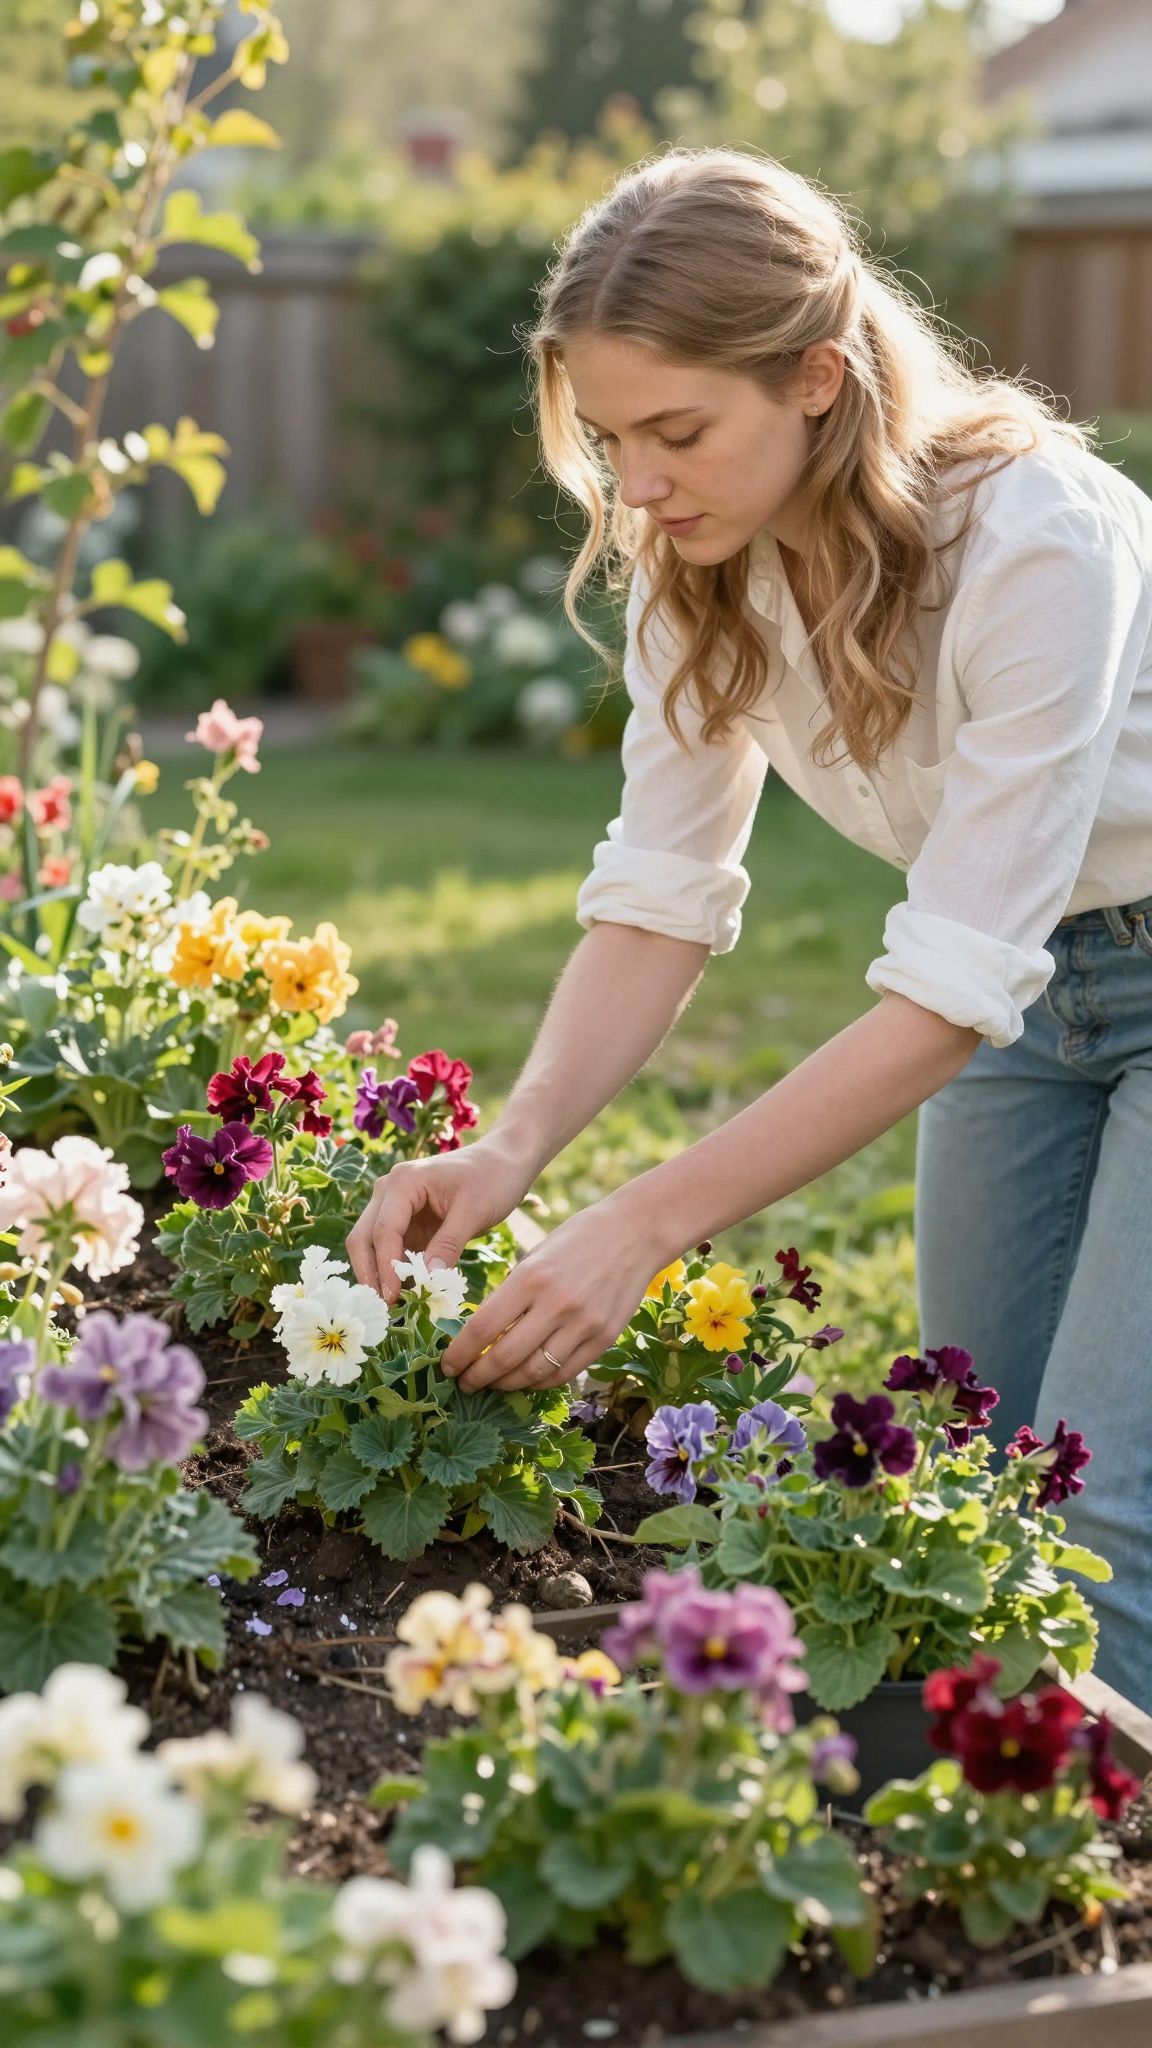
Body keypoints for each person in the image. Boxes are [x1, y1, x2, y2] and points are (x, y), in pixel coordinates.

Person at [348, 149, 1152, 1701]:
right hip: (1022, 989)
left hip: (1028, 971)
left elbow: (949, 983)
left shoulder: (1035, 539)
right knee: (977, 1466)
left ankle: (1076, 1848)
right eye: (610, 440)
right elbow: (660, 895)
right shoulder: (697, 567)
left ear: (815, 380)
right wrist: (514, 1150)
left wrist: (643, 1225)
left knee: (1104, 1514)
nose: (639, 486)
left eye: (678, 433)